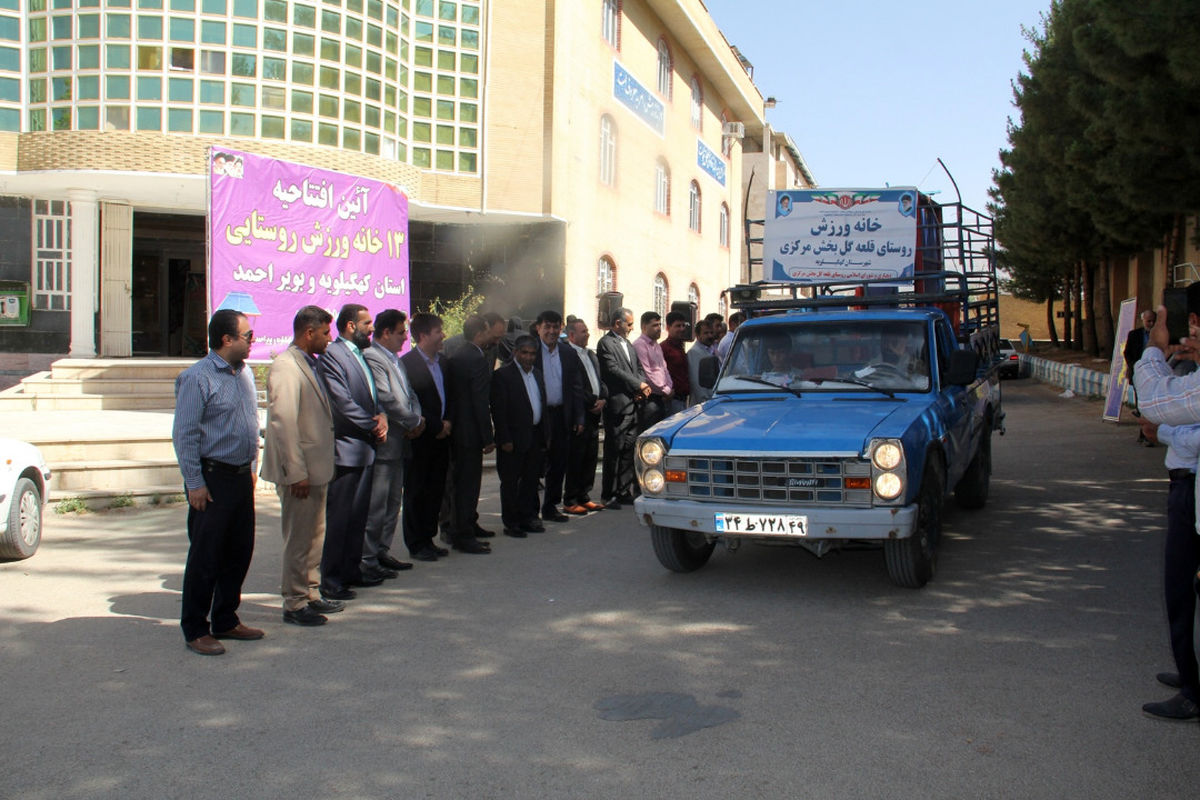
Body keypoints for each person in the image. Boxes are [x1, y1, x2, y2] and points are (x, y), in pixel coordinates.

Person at [172, 308, 263, 655]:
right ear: (227, 340)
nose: (252, 342)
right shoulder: (198, 378)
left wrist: (252, 464)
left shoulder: (245, 373)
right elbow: (185, 434)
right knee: (206, 556)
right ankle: (196, 628)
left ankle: (226, 618)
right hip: (212, 478)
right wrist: (194, 483)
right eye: (247, 336)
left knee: (239, 551)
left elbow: (249, 422)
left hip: (240, 476)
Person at [1132, 283, 1200, 721]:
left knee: (1181, 587)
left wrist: (1153, 349)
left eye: (1196, 324)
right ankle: (1192, 673)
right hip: (1186, 485)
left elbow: (1158, 401)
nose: (1190, 331)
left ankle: (1194, 690)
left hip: (1191, 490)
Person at [260, 305, 344, 627]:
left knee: (314, 536)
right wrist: (295, 471)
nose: (329, 339)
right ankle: (294, 603)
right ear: (309, 332)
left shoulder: (309, 363)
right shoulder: (286, 366)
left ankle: (310, 592)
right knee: (298, 539)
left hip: (317, 468)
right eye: (325, 333)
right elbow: (283, 422)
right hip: (300, 472)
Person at [318, 304, 388, 601]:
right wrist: (372, 426)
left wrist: (382, 415)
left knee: (358, 516)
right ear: (349, 326)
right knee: (341, 519)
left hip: (365, 450)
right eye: (367, 323)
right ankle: (331, 580)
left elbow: (372, 396)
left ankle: (350, 571)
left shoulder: (361, 355)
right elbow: (342, 404)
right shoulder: (333, 356)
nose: (372, 328)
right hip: (346, 449)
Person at [362, 309, 424, 580]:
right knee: (377, 505)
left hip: (402, 441)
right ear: (385, 333)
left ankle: (382, 551)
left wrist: (417, 419)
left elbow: (409, 393)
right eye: (401, 333)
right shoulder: (373, 357)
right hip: (385, 445)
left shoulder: (396, 360)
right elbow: (387, 398)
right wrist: (413, 421)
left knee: (392, 502)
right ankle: (367, 558)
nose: (405, 338)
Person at [400, 312, 453, 562]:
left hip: (443, 436)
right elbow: (412, 402)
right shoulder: (407, 364)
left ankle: (429, 538)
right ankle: (416, 542)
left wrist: (448, 422)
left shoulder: (442, 362)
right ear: (423, 335)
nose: (443, 335)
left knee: (435, 489)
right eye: (438, 331)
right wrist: (435, 425)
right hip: (420, 437)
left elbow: (449, 396)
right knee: (416, 491)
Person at [446, 314, 498, 553]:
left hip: (458, 429)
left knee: (462, 484)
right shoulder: (475, 358)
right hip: (469, 432)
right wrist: (488, 436)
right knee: (467, 485)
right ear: (481, 330)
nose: (494, 337)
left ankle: (466, 525)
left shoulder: (458, 354)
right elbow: (479, 400)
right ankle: (463, 535)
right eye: (491, 332)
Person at [490, 335, 549, 537]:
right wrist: (504, 439)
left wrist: (544, 436)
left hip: (534, 436)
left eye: (532, 353)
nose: (528, 357)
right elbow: (499, 411)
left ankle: (529, 517)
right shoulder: (503, 376)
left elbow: (542, 403)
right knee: (510, 482)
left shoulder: (538, 374)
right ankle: (512, 522)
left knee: (531, 480)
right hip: (512, 438)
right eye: (524, 353)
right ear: (516, 352)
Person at [534, 310, 586, 523]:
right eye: (547, 327)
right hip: (538, 416)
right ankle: (528, 510)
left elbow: (576, 387)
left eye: (556, 327)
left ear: (562, 328)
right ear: (538, 328)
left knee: (558, 463)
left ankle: (551, 506)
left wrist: (579, 417)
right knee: (534, 464)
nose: (552, 331)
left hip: (561, 415)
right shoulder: (530, 351)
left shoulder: (567, 353)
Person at [597, 307, 650, 507]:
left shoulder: (628, 344)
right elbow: (613, 370)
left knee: (629, 449)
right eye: (629, 323)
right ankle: (608, 493)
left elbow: (638, 369)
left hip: (632, 404)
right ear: (618, 323)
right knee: (614, 450)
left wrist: (640, 385)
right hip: (617, 405)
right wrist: (637, 385)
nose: (631, 327)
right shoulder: (606, 343)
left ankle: (623, 490)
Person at [563, 317, 607, 514]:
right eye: (583, 331)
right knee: (576, 458)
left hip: (595, 412)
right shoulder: (568, 355)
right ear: (571, 335)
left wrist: (603, 398)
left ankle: (584, 496)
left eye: (587, 330)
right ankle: (570, 499)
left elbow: (599, 381)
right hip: (580, 413)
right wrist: (591, 402)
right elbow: (574, 388)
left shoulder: (590, 355)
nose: (588, 334)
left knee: (590, 456)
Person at [633, 310, 672, 430]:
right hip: (650, 399)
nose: (659, 328)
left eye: (660, 324)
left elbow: (664, 369)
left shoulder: (656, 345)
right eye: (655, 325)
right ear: (644, 327)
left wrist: (669, 387)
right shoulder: (640, 345)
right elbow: (647, 373)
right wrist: (665, 390)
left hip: (662, 397)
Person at [1126, 309, 1157, 446]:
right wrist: (1136, 367)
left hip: (1156, 375)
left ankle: (1148, 434)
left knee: (1153, 405)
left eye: (1153, 321)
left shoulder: (1160, 335)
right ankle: (1144, 433)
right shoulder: (1134, 335)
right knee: (1142, 405)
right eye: (1148, 321)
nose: (1151, 323)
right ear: (1143, 320)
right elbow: (1128, 353)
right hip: (1140, 375)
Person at [660, 310, 691, 414]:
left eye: (683, 325)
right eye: (678, 326)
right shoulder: (663, 348)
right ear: (668, 328)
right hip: (672, 400)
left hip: (683, 399)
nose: (682, 329)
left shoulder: (680, 347)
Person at [687, 317, 719, 405]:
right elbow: (696, 381)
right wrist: (704, 401)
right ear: (698, 336)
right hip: (703, 403)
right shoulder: (694, 352)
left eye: (711, 332)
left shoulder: (713, 350)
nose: (710, 336)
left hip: (715, 399)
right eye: (706, 333)